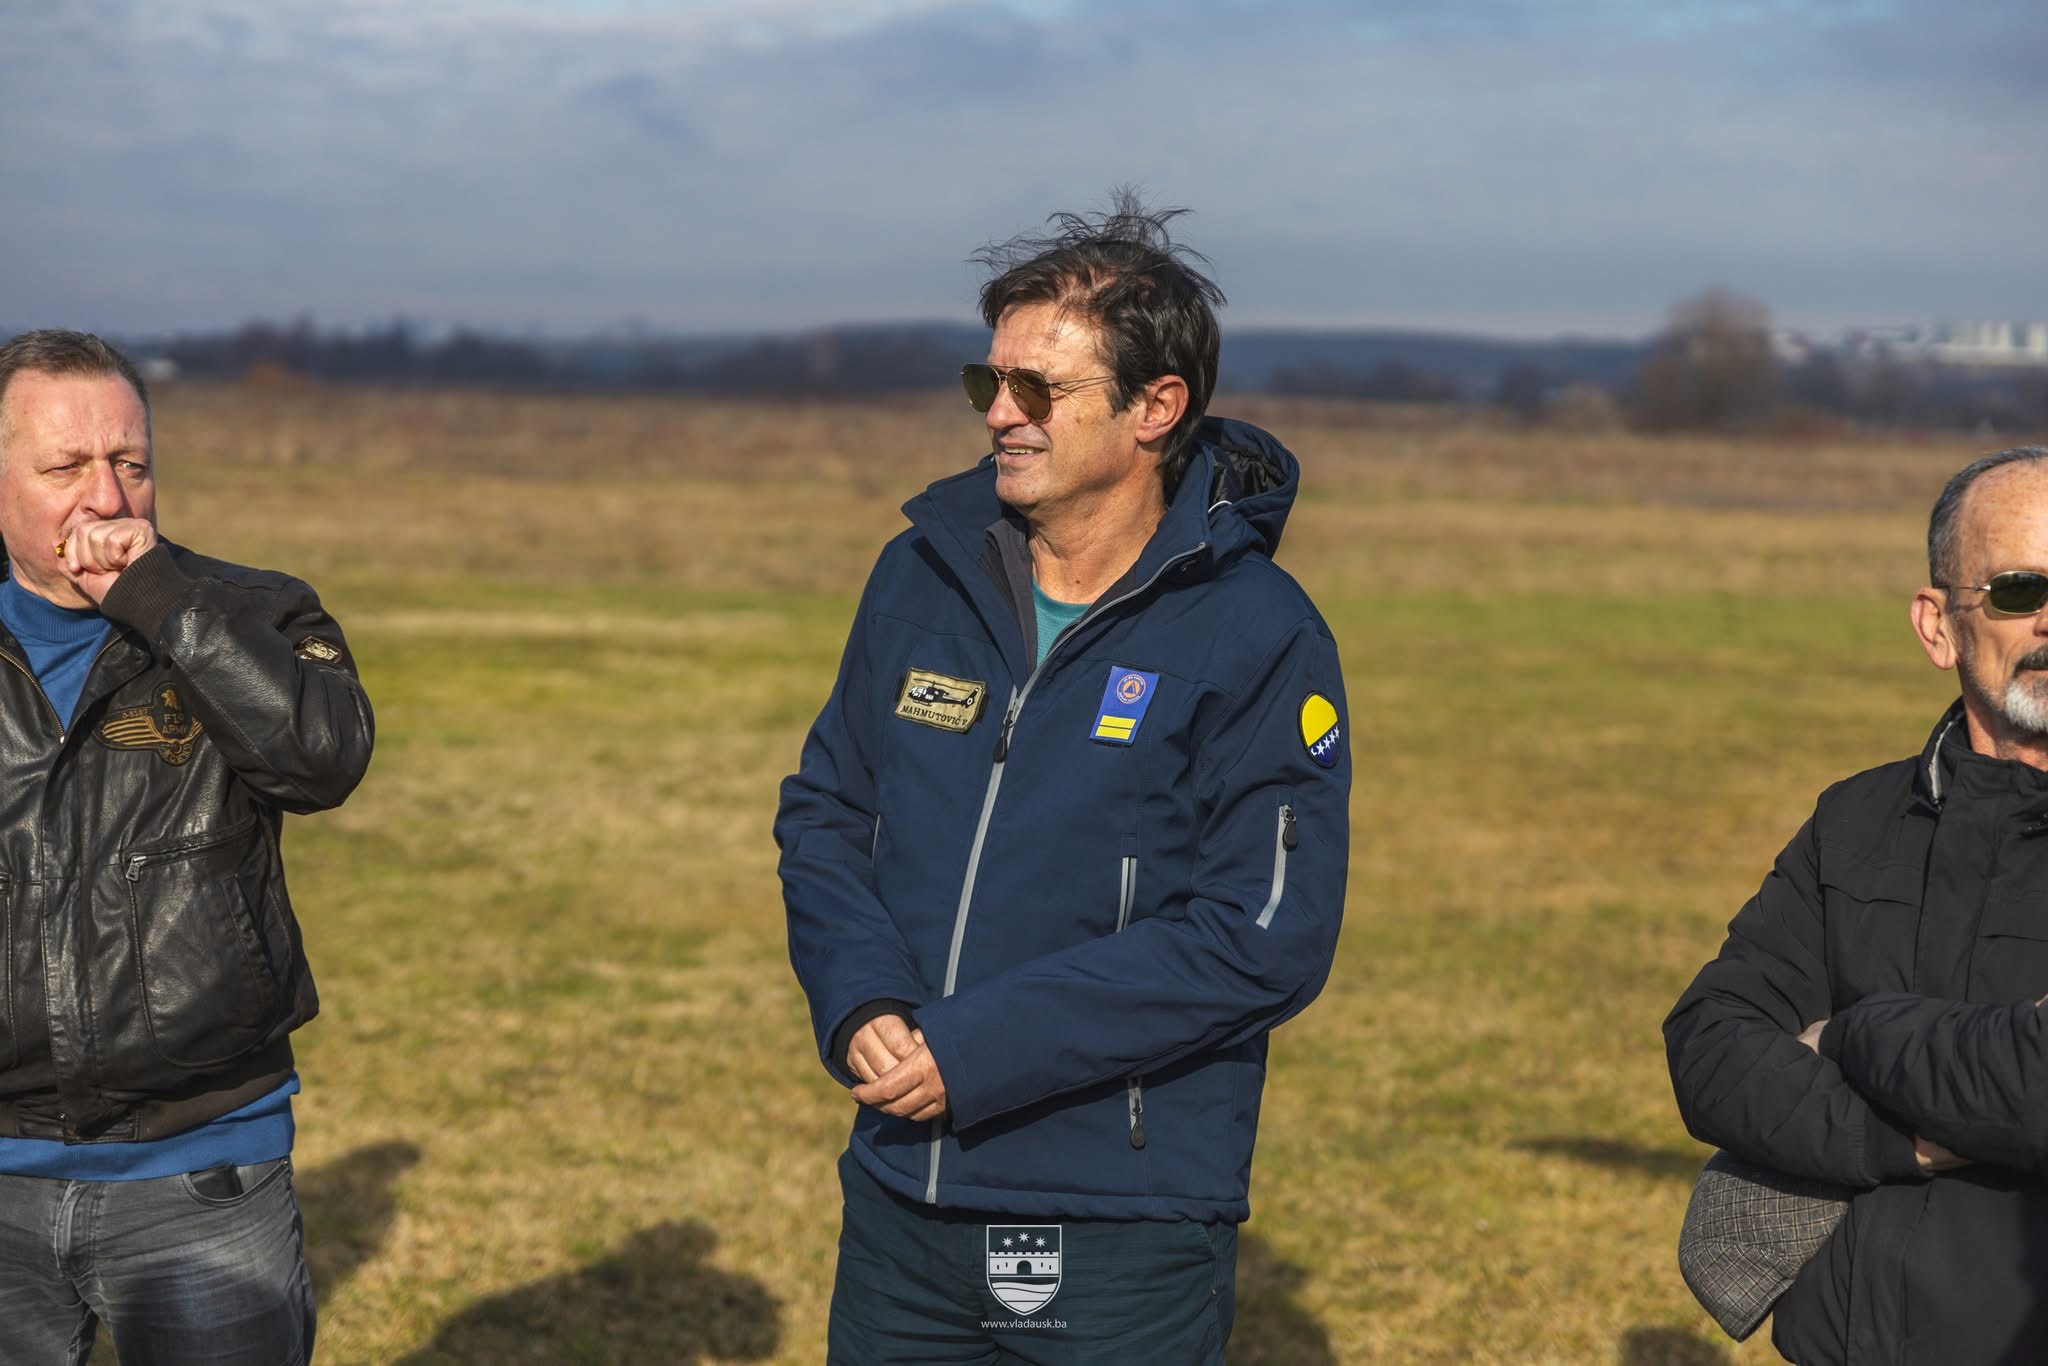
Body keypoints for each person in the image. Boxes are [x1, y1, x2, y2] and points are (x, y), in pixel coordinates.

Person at [776, 195, 1350, 1362]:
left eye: (1036, 390)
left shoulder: (1257, 631)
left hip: (1117, 1220)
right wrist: (861, 1000)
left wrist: (976, 1048)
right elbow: (828, 813)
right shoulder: (917, 576)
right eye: (986, 382)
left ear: (1154, 408)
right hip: (898, 1198)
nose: (999, 413)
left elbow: (1260, 935)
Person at [0, 329, 374, 1364]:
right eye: (65, 468)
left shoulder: (256, 611)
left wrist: (161, 605)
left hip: (204, 1166)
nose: (106, 499)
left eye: (130, 462)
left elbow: (322, 762)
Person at [1666, 444, 2048, 1365]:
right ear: (1938, 627)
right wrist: (1896, 1138)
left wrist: (1849, 1036)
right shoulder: (1856, 821)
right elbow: (1711, 1046)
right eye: (2019, 591)